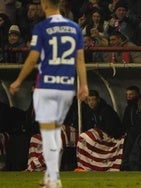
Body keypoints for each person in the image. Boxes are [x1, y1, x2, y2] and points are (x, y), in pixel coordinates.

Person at [9, 0, 89, 187]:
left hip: (46, 86)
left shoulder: (42, 27)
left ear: (45, 5)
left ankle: (53, 178)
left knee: (48, 133)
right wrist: (83, 84)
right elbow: (80, 58)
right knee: (55, 131)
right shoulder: (74, 28)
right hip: (66, 87)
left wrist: (19, 80)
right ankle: (52, 176)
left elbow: (33, 58)